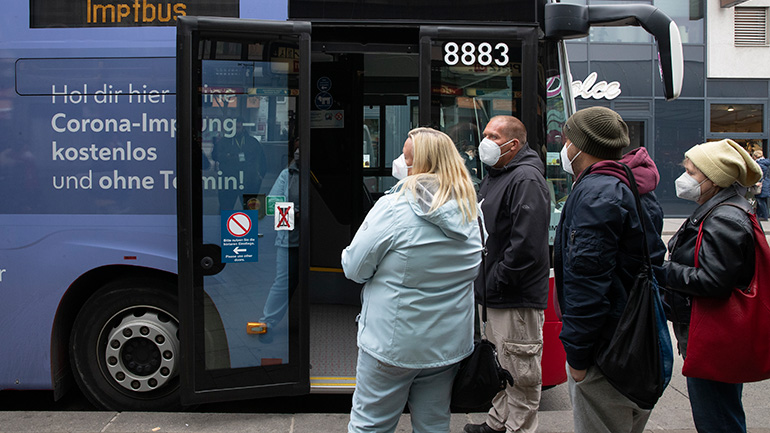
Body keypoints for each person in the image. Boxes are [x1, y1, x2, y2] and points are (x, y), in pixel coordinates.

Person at [341, 127, 482, 433]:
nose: (399, 163)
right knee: (433, 424)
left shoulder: (393, 208)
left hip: (393, 344)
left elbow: (355, 268)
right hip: (447, 345)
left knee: (370, 425)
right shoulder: (472, 209)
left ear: (422, 165)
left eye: (406, 158)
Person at [554, 106, 666, 433]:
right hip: (639, 341)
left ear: (580, 146)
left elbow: (587, 282)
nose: (565, 146)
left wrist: (577, 356)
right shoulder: (632, 183)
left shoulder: (596, 193)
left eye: (567, 139)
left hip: (607, 351)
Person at [663, 139, 761, 433]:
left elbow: (713, 281)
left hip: (712, 338)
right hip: (711, 335)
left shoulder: (724, 217)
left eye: (692, 173)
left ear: (714, 178)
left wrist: (664, 270)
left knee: (717, 419)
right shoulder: (719, 209)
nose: (685, 178)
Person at [463, 115, 550, 433]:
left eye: (494, 136)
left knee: (520, 368)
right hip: (494, 293)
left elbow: (525, 246)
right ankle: (498, 422)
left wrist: (498, 280)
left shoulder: (525, 179)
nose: (485, 141)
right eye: (485, 134)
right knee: (500, 364)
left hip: (514, 296)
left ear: (514, 144)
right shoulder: (498, 173)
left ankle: (518, 428)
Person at [258, 137, 300, 344]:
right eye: (297, 146)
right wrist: (296, 214)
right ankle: (268, 322)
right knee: (283, 282)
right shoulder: (287, 174)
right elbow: (273, 205)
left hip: (312, 240)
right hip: (289, 239)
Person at [211, 117, 267, 209]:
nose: (236, 130)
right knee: (226, 209)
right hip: (229, 181)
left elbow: (262, 160)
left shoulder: (252, 142)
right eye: (234, 127)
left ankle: (251, 223)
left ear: (243, 128)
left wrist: (260, 176)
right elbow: (214, 156)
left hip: (248, 181)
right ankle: (224, 223)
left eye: (238, 127)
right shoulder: (224, 141)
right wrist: (227, 156)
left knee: (250, 210)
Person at [751, 149, 769, 221]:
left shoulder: (760, 164)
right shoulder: (766, 163)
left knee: (760, 200)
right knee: (761, 200)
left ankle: (764, 216)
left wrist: (757, 182)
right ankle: (759, 215)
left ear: (755, 156)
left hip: (761, 185)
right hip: (765, 183)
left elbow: (759, 174)